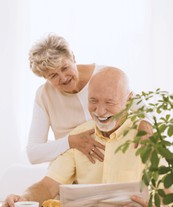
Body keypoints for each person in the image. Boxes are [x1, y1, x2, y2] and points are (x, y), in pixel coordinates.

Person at [0, 67, 169, 207]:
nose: (100, 111)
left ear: (129, 100)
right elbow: (48, 186)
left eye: (110, 102)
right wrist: (22, 200)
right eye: (93, 101)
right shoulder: (80, 137)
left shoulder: (146, 136)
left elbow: (168, 192)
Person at [26, 33, 152, 164]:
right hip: (70, 170)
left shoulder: (104, 76)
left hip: (113, 162)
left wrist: (145, 123)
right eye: (53, 75)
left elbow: (146, 111)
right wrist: (70, 142)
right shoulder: (44, 95)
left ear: (73, 58)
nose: (63, 78)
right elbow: (33, 153)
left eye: (65, 68)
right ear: (45, 77)